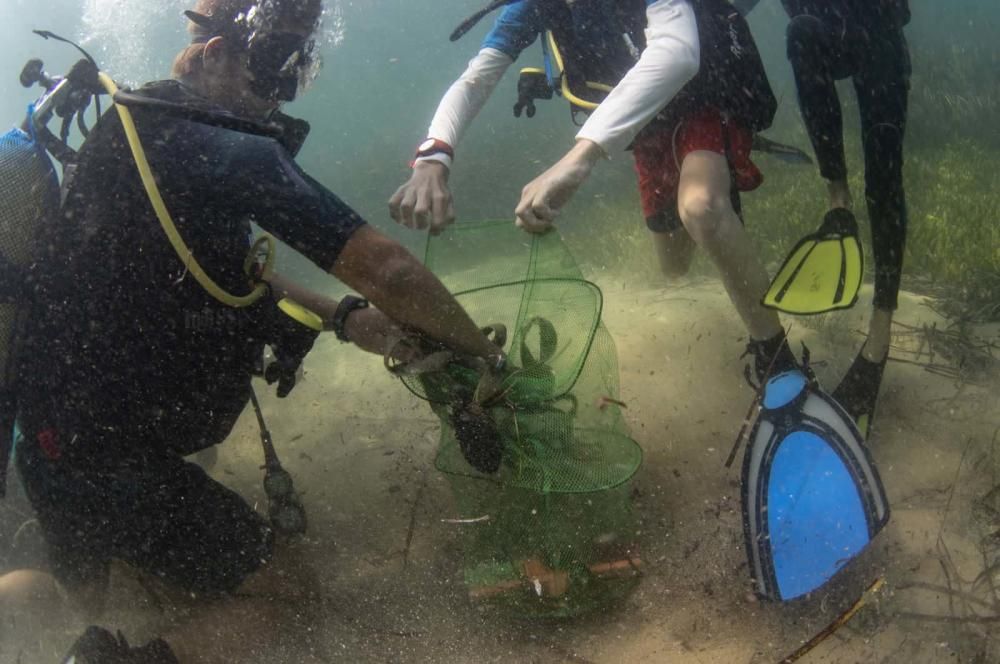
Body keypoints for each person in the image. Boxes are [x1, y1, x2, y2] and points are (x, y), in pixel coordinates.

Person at [9, 0, 505, 661]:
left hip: (50, 447)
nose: (283, 93)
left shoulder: (135, 129)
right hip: (115, 461)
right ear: (215, 55)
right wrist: (488, 357)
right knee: (286, 591)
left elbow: (226, 277)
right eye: (275, 69)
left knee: (89, 600)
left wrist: (348, 320)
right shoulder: (215, 146)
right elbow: (390, 271)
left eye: (299, 70)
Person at [389, 0, 799, 382]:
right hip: (643, 124)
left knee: (701, 208)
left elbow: (678, 53)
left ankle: (777, 359)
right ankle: (727, 276)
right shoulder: (530, 8)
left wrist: (578, 159)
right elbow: (476, 78)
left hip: (705, 98)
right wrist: (433, 157)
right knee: (674, 266)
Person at [737, 0, 911, 432]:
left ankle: (878, 342)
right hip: (821, 38)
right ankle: (838, 201)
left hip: (880, 32)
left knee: (884, 179)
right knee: (803, 31)